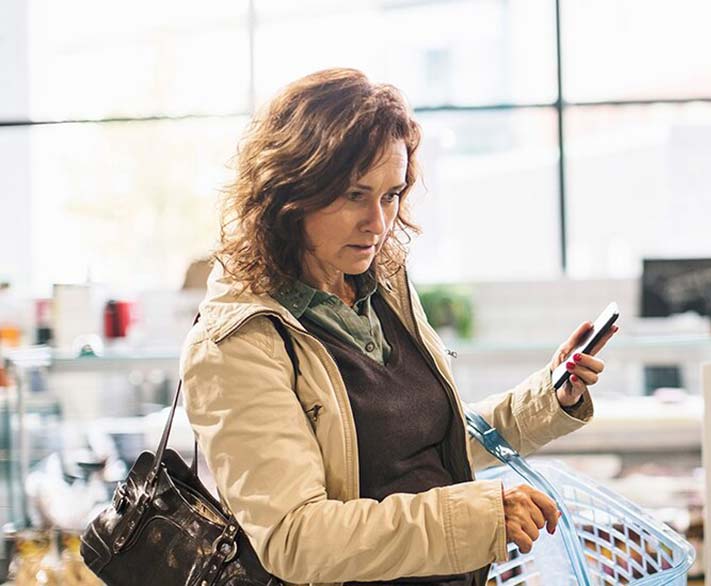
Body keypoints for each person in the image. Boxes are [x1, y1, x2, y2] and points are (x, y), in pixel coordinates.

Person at [180, 68, 615, 586]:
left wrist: (549, 399)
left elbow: (428, 442)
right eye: (353, 195)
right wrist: (482, 516)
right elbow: (296, 539)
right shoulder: (237, 342)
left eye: (391, 195)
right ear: (289, 192)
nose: (379, 223)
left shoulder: (380, 288)